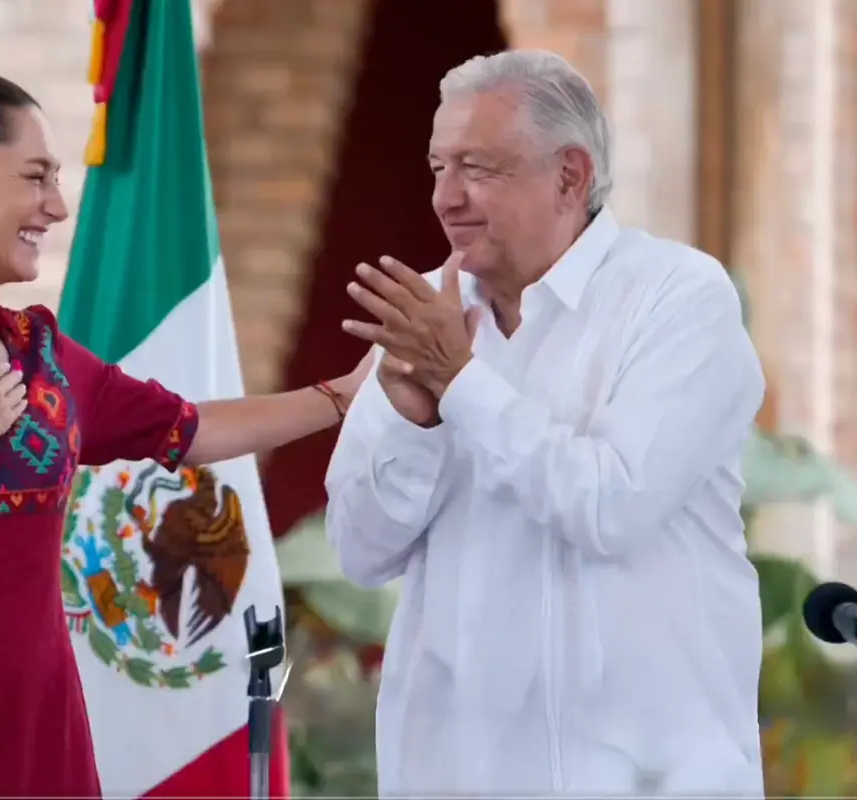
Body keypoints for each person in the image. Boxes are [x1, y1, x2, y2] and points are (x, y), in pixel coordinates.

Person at [0, 69, 369, 799]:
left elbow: (192, 427)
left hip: (36, 735)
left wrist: (345, 397)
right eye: (34, 177)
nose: (54, 206)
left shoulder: (40, 354)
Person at [325, 50, 766, 796]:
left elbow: (611, 506)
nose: (445, 197)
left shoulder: (678, 297)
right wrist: (413, 426)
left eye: (478, 167)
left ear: (570, 175)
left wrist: (460, 385)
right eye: (438, 166)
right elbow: (358, 552)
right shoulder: (430, 312)